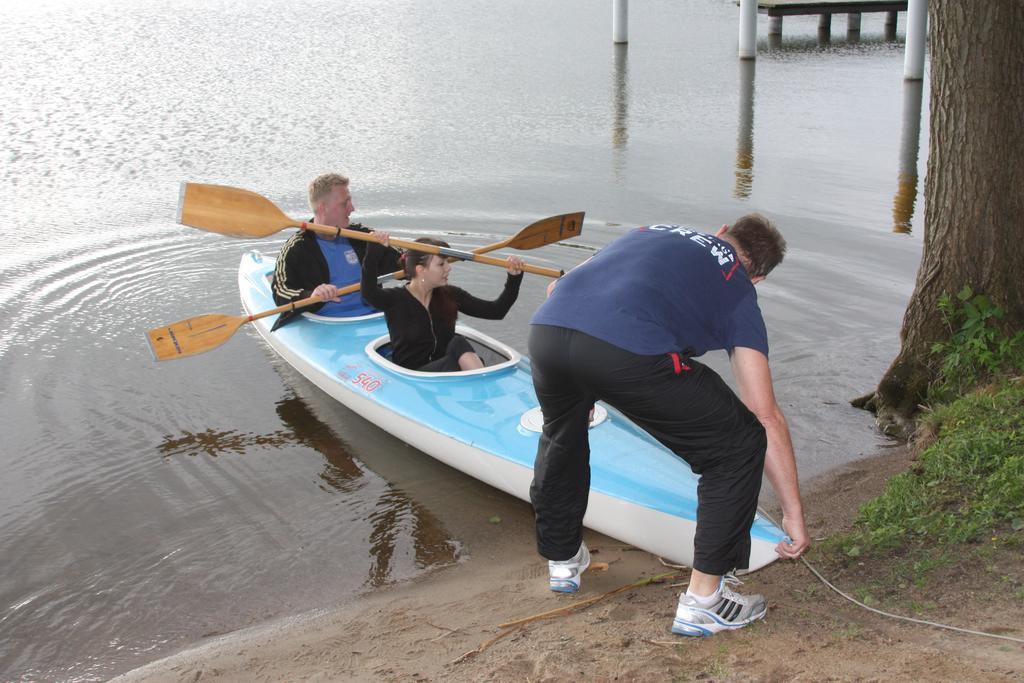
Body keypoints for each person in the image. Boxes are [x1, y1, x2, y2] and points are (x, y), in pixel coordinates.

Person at [527, 214, 810, 636]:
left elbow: (557, 288)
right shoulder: (737, 285)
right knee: (738, 443)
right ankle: (704, 602)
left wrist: (583, 380)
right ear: (760, 278)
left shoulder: (649, 231)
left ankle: (563, 562)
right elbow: (764, 414)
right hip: (623, 351)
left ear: (720, 231)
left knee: (562, 432)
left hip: (548, 332)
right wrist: (793, 513)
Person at [361, 233, 525, 371]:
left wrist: (514, 278)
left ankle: (478, 379)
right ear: (420, 270)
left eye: (447, 262)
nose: (448, 268)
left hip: (447, 372)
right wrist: (373, 251)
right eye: (441, 264)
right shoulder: (395, 299)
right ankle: (482, 384)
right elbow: (369, 292)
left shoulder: (451, 295)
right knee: (458, 344)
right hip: (413, 378)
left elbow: (496, 311)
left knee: (457, 343)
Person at [271, 173, 401, 330]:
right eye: (344, 203)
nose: (352, 208)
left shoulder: (362, 236)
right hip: (329, 323)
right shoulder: (297, 248)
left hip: (376, 316)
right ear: (322, 208)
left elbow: (401, 262)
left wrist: (413, 260)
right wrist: (311, 295)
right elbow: (281, 292)